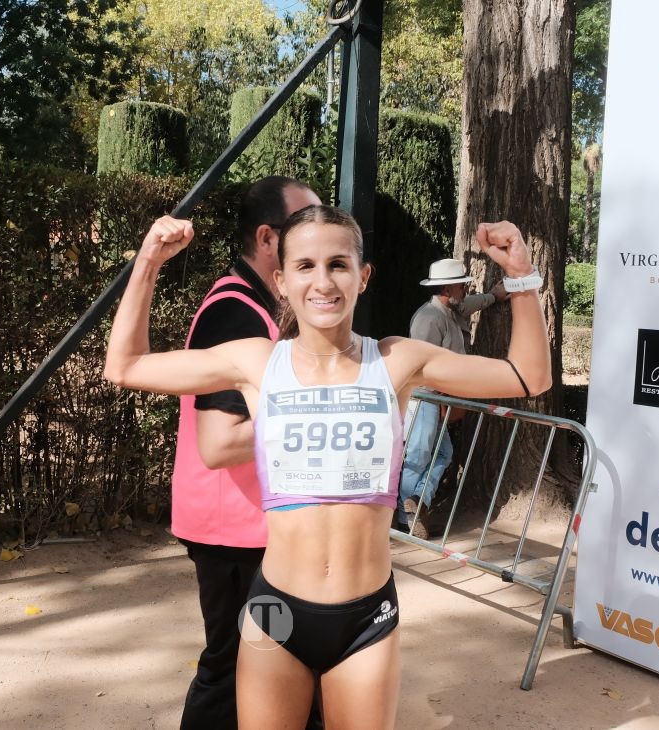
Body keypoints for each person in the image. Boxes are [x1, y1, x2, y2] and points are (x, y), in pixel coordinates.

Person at [105, 205, 549, 728]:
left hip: (366, 619)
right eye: (306, 266)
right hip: (277, 613)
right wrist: (148, 262)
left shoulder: (397, 360)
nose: (323, 281)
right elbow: (125, 365)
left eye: (339, 264)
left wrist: (521, 276)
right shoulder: (255, 362)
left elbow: (527, 375)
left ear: (363, 276)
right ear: (281, 280)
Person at [171, 176, 322, 729]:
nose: (318, 234)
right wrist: (315, 420)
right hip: (231, 532)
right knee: (233, 664)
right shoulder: (236, 313)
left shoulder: (257, 306)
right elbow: (219, 442)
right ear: (268, 237)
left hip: (245, 528)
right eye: (304, 224)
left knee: (269, 660)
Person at [398, 259, 508, 539]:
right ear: (448, 288)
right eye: (461, 285)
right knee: (420, 453)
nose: (465, 289)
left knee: (442, 453)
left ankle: (417, 502)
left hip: (436, 398)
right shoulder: (428, 319)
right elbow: (420, 365)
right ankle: (404, 516)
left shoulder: (451, 309)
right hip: (425, 397)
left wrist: (493, 297)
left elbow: (469, 304)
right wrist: (445, 396)